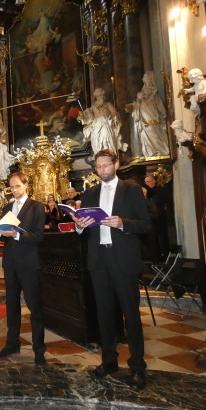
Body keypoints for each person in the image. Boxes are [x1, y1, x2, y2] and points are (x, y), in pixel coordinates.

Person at [71, 149, 151, 390]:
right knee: (104, 313)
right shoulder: (90, 194)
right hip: (99, 260)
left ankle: (137, 366)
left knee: (131, 315)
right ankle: (109, 361)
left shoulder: (132, 190)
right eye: (98, 167)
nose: (101, 170)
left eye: (105, 165)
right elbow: (84, 229)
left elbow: (146, 224)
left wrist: (122, 223)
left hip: (123, 259)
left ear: (116, 165)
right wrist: (79, 225)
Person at [0, 171, 46, 365]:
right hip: (11, 262)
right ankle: (12, 344)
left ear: (26, 185)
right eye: (11, 187)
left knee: (34, 307)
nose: (14, 190)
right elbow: (5, 236)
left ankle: (39, 349)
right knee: (12, 306)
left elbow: (38, 236)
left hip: (29, 263)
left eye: (17, 186)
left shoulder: (37, 207)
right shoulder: (7, 207)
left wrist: (15, 235)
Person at [80, 88, 126, 155]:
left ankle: (110, 156)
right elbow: (85, 116)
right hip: (96, 128)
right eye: (97, 97)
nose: (99, 99)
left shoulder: (108, 105)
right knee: (97, 144)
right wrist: (82, 116)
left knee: (107, 141)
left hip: (105, 126)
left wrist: (113, 118)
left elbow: (115, 113)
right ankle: (100, 156)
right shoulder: (93, 107)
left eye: (100, 96)